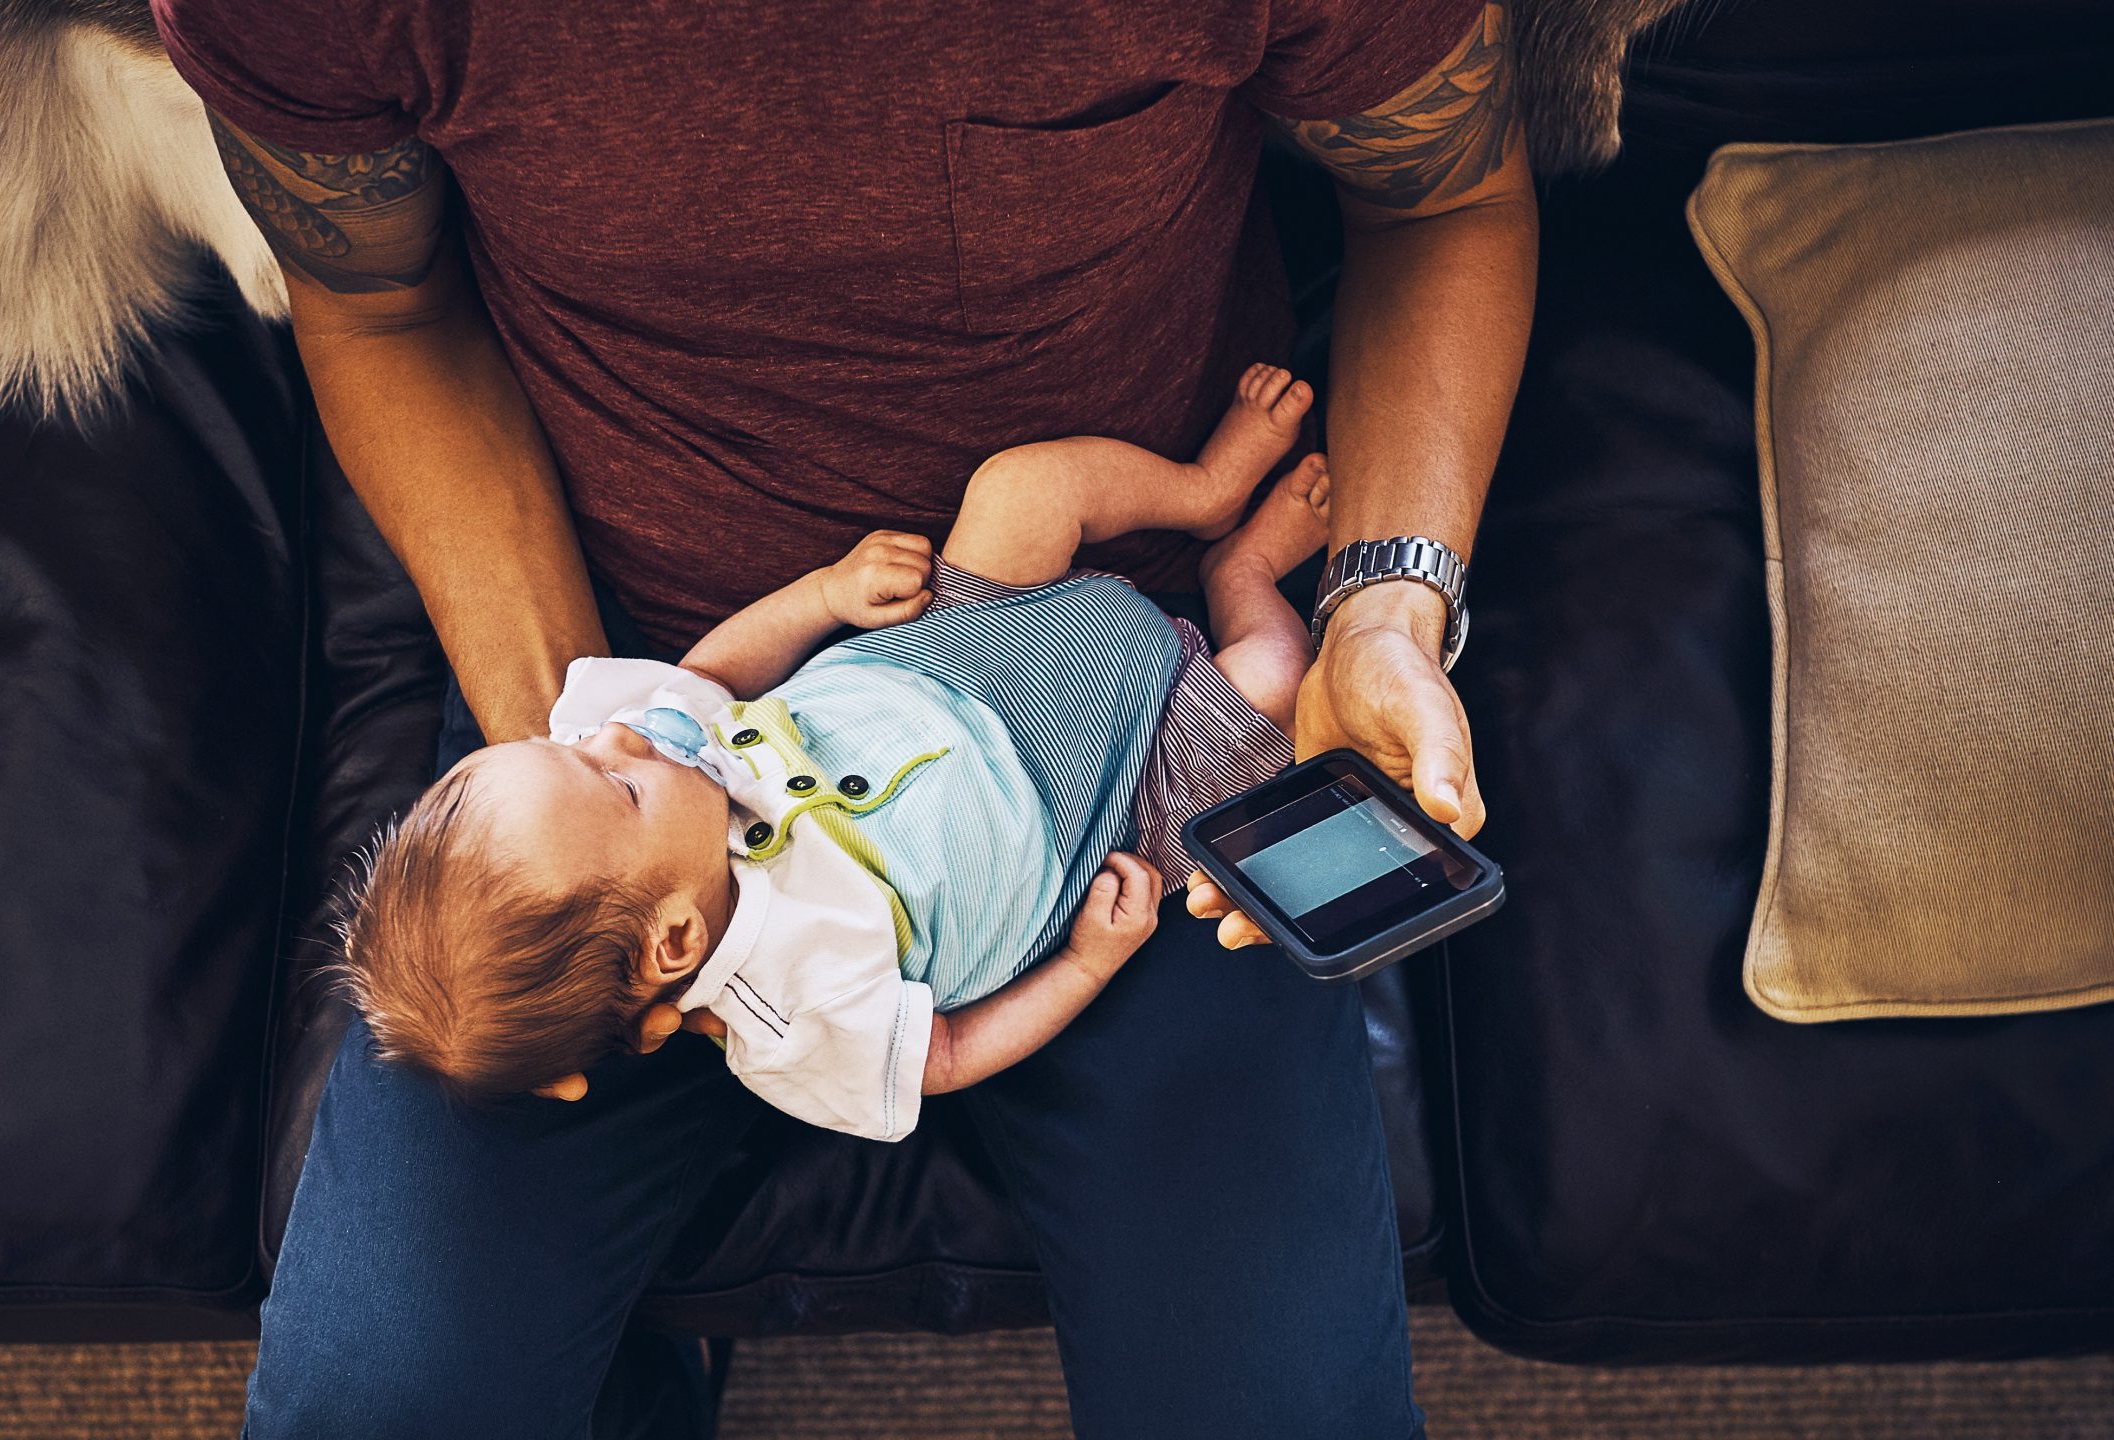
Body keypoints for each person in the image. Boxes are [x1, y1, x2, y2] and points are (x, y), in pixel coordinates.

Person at [155, 0, 1534, 1433]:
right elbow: (377, 298)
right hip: (610, 664)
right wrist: (585, 788)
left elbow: (1441, 193)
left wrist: (1382, 606)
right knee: (377, 1405)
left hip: (1123, 699)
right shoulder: (607, 781)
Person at [343, 366, 1327, 1132]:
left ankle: (1201, 493)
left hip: (957, 649)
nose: (613, 731)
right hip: (1106, 798)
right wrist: (1086, 965)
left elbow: (711, 675)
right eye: (613, 781)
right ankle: (1238, 569)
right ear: (675, 940)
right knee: (1273, 688)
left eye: (566, 747)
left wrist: (823, 595)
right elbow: (938, 1058)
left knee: (1023, 489)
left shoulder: (651, 759)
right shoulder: (785, 1020)